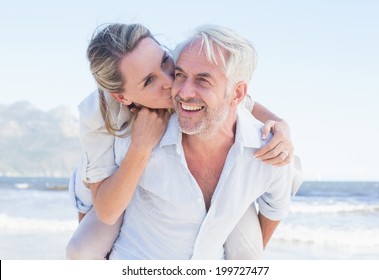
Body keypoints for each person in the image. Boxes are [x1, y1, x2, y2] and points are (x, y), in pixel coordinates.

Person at [66, 23, 300, 260]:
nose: (171, 83)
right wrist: (141, 147)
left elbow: (240, 100)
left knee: (250, 257)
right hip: (101, 189)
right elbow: (102, 208)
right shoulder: (102, 116)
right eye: (149, 81)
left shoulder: (191, 83)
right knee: (81, 250)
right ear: (122, 97)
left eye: (166, 63)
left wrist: (281, 126)